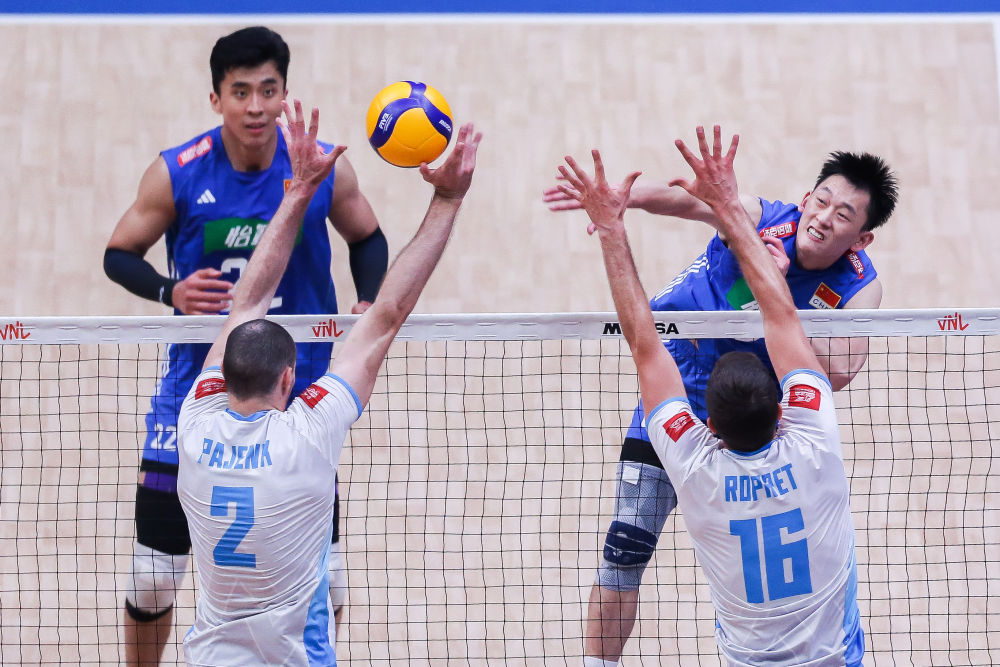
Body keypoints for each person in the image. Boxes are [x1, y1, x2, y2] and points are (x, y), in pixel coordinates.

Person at [546, 140, 896, 663]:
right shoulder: (759, 217)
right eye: (821, 201)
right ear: (806, 198)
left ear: (862, 238)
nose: (823, 218)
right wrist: (621, 198)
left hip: (749, 413)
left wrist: (777, 288)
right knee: (624, 550)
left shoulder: (860, 286)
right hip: (676, 385)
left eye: (843, 215)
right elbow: (681, 200)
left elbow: (843, 370)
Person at [103, 26, 387, 665]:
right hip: (196, 397)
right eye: (240, 92)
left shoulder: (323, 166)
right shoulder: (177, 172)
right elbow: (119, 254)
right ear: (216, 98)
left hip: (294, 400)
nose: (256, 107)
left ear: (285, 93)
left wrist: (367, 298)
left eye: (268, 90)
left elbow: (368, 237)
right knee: (152, 579)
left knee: (326, 583)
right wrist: (169, 291)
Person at [176, 100, 481, 665]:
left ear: (222, 378)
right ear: (289, 378)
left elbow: (246, 304)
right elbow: (386, 315)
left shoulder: (194, 421)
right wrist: (447, 198)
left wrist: (297, 190)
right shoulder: (307, 435)